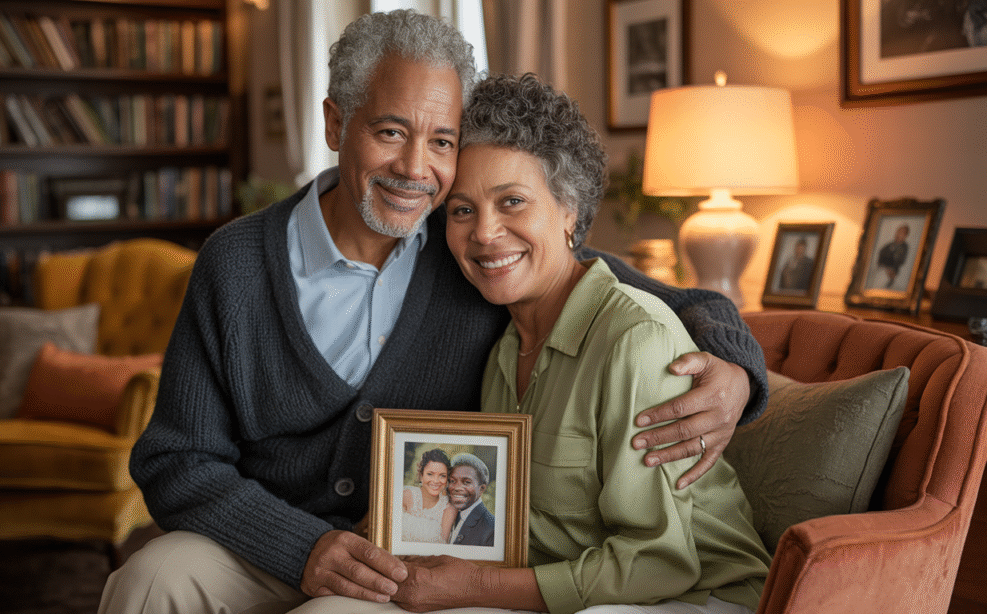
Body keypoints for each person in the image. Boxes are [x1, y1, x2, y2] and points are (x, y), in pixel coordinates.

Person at [98, 10, 768, 614]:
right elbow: (175, 461)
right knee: (146, 580)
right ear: (336, 124)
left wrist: (737, 368)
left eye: (442, 141)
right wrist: (305, 546)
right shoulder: (236, 264)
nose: (415, 168)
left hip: (410, 563)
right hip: (271, 542)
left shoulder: (475, 255)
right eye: (391, 132)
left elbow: (652, 300)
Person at [292, 72, 770, 614]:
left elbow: (660, 562)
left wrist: (473, 588)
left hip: (691, 597)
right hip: (562, 588)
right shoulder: (501, 349)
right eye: (463, 210)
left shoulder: (634, 342)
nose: (485, 234)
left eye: (512, 201)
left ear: (569, 210)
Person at [401, 448, 457, 544]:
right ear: (421, 475)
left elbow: (442, 545)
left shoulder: (449, 509)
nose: (436, 481)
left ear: (447, 479)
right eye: (430, 474)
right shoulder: (407, 496)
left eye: (442, 476)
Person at [444, 453, 494, 546]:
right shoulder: (448, 514)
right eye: (452, 481)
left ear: (481, 488)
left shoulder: (491, 529)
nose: (457, 487)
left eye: (466, 482)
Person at [876, 224, 910, 289]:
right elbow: (881, 254)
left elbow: (899, 260)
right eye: (898, 231)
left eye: (901, 233)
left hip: (893, 274)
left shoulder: (904, 247)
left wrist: (891, 269)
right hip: (882, 270)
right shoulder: (889, 245)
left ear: (905, 236)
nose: (898, 234)